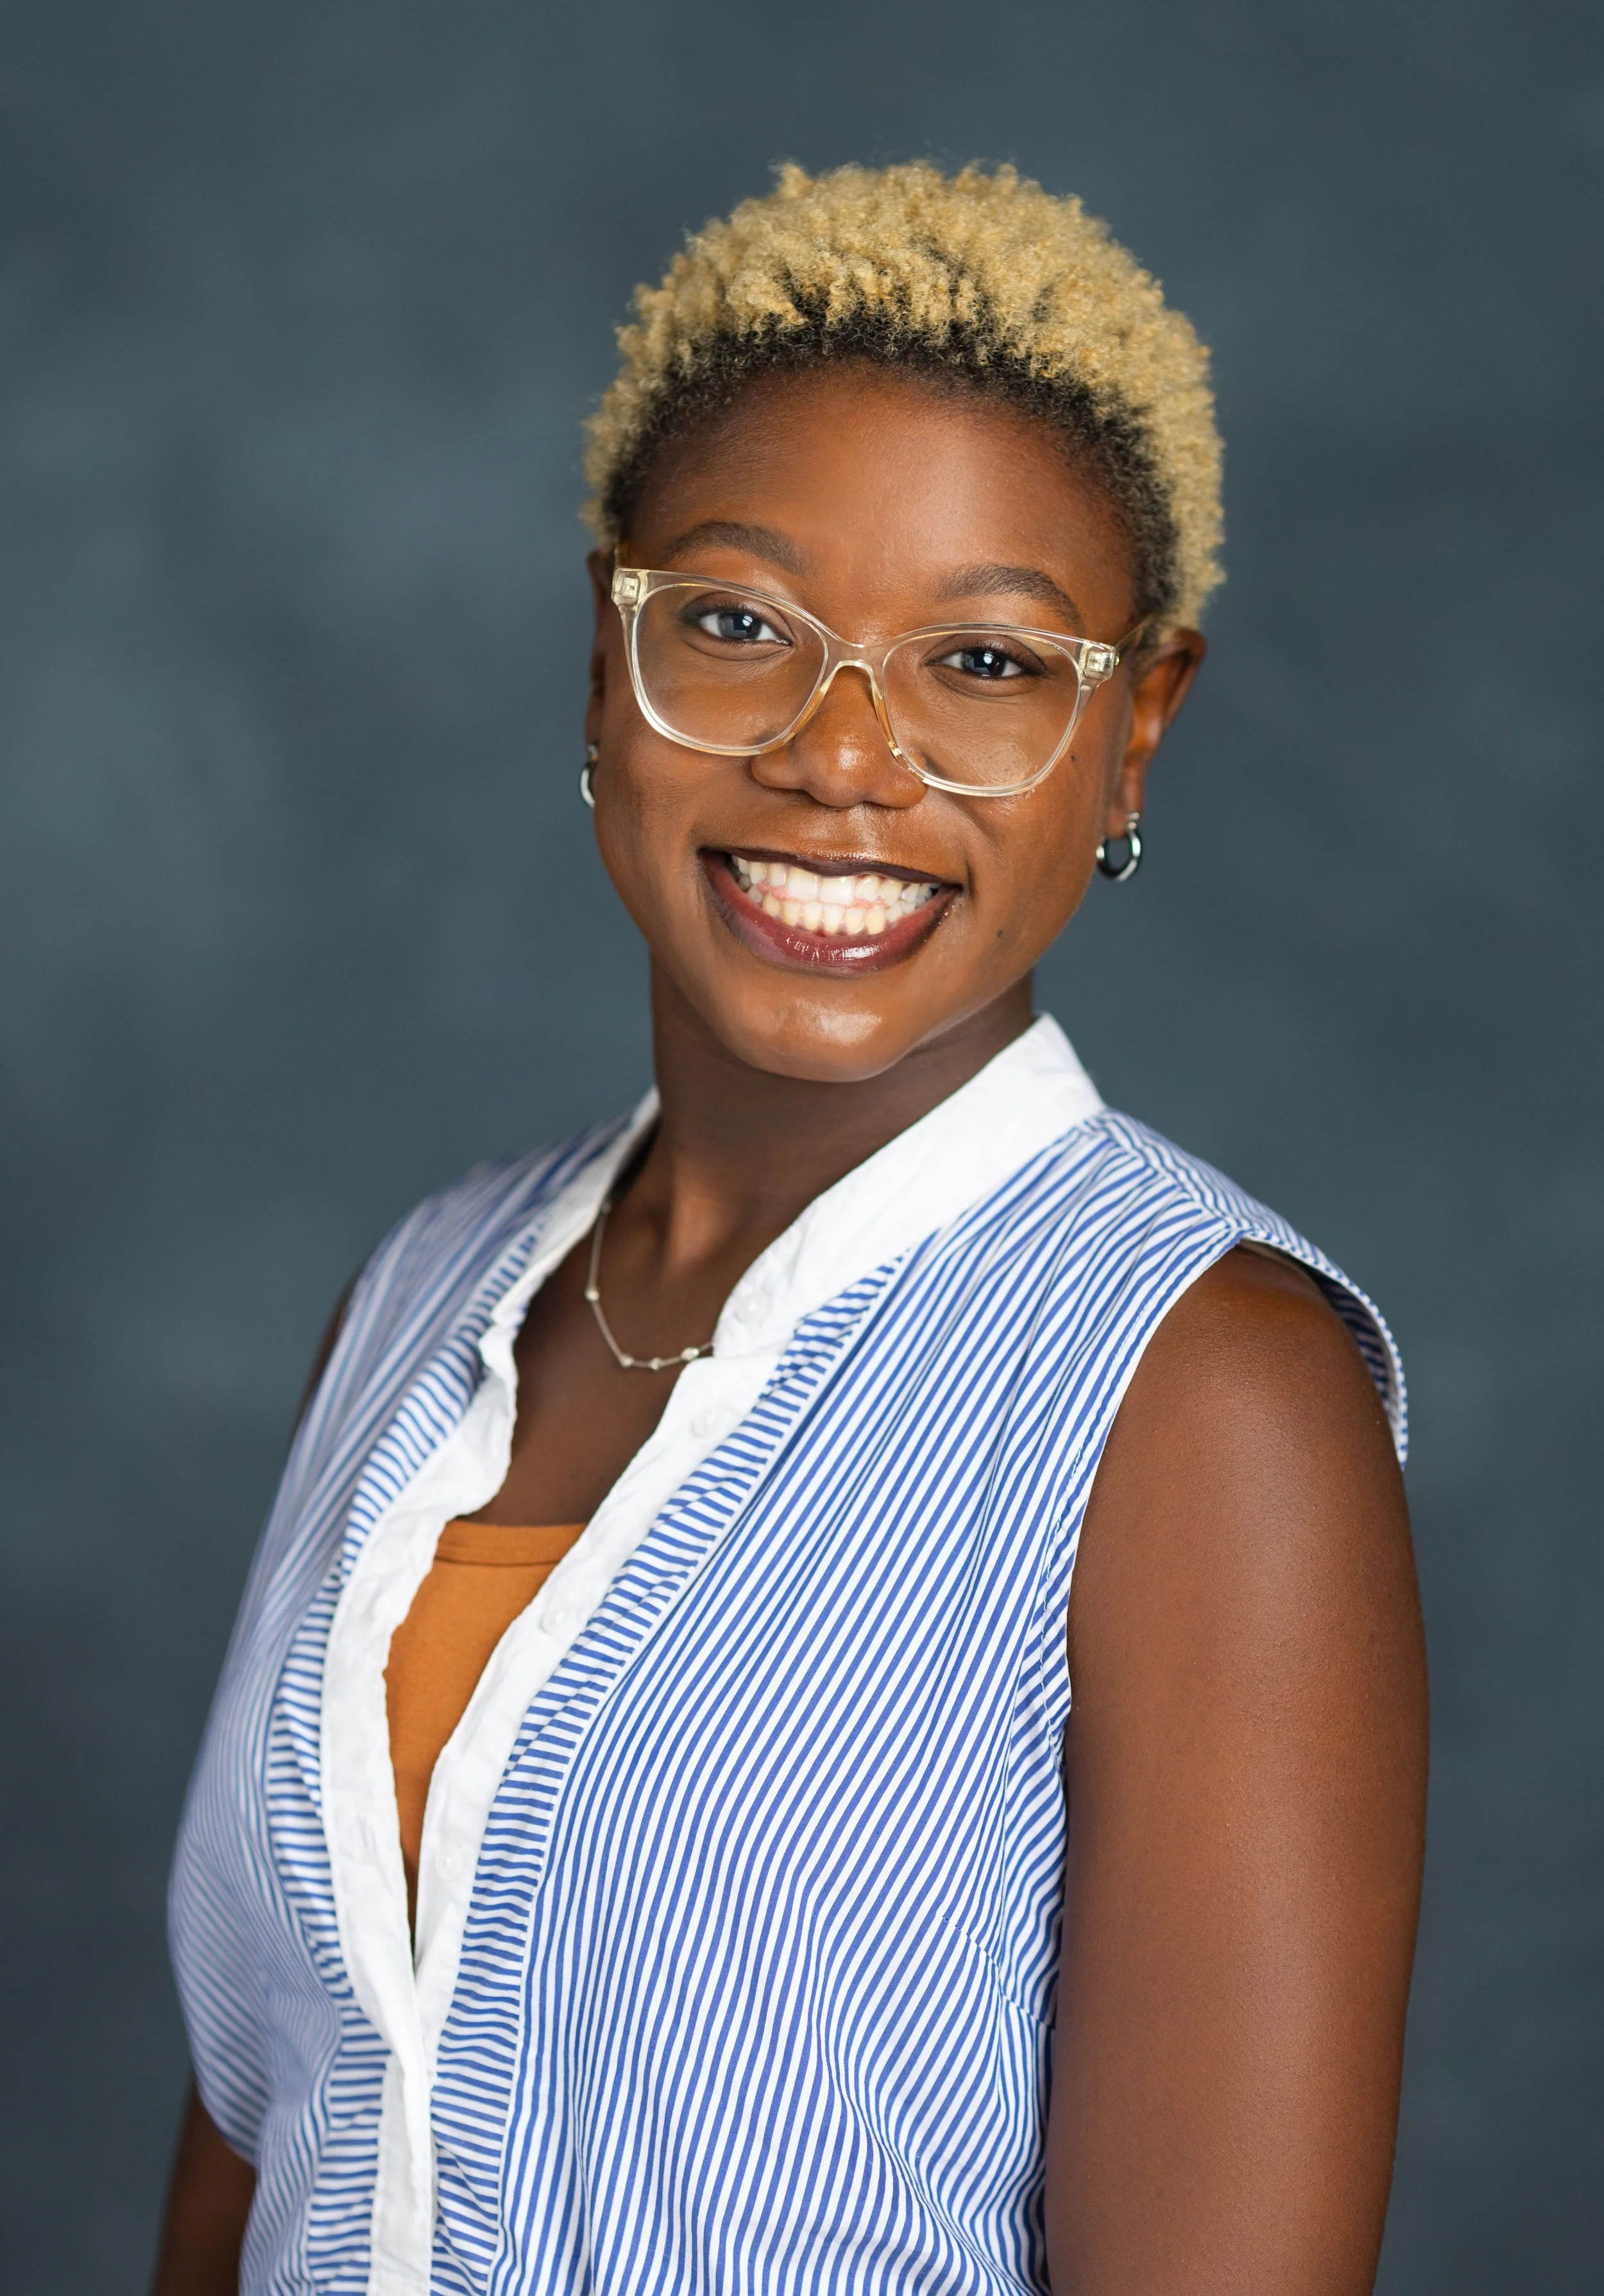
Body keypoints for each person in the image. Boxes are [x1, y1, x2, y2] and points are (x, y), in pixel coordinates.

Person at [152, 162, 1427, 2296]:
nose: (845, 754)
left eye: (987, 661)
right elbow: (251, 2153)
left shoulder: (1203, 1396)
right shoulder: (413, 1304)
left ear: (1130, 734)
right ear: (606, 657)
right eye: (736, 623)